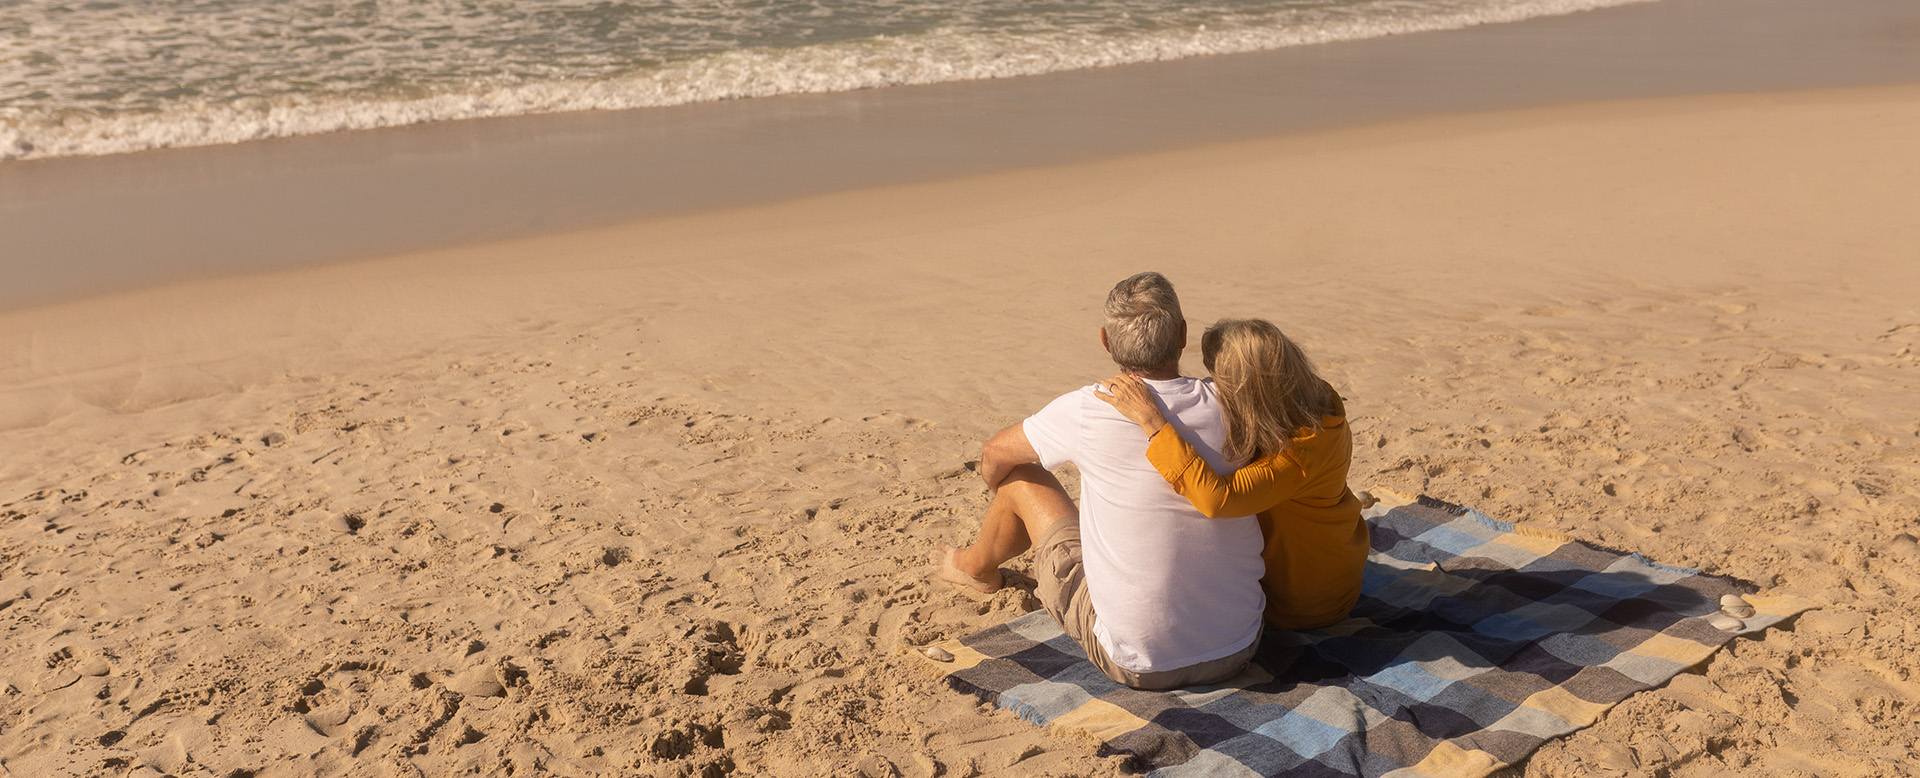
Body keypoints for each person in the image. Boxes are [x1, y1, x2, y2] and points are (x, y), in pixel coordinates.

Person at [936, 272, 1265, 690]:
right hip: (1239, 645)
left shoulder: (1088, 409)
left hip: (1140, 663)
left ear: (1107, 342)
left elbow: (992, 455)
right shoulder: (1232, 401)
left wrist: (1000, 496)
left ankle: (972, 567)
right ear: (1183, 336)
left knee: (1020, 477)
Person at [1096, 318, 1368, 631]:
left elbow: (1218, 499)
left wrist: (1153, 423)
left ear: (1249, 388)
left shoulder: (1300, 454)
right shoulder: (1311, 397)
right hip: (1337, 565)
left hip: (1305, 603)